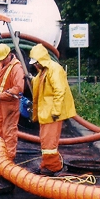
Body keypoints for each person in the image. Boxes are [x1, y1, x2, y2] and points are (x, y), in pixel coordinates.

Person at [29, 43, 76, 176]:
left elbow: (59, 90)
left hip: (52, 113)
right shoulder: (44, 70)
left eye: (36, 62)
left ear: (41, 60)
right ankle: (47, 165)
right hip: (46, 112)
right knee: (45, 141)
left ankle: (53, 167)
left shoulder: (54, 69)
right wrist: (31, 79)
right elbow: (40, 82)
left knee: (49, 143)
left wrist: (56, 111)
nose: (34, 65)